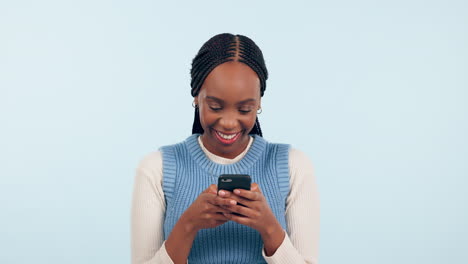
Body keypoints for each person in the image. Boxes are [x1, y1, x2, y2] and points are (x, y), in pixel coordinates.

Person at [131, 33, 320, 264]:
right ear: (196, 97)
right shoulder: (157, 168)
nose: (229, 123)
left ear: (259, 103)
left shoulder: (293, 165)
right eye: (215, 106)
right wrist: (188, 224)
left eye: (244, 109)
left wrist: (269, 228)